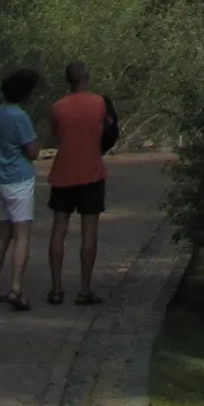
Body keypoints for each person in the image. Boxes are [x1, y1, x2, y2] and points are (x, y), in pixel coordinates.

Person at [45, 61, 118, 306]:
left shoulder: (57, 107)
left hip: (63, 172)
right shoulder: (98, 103)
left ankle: (56, 289)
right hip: (91, 172)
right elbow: (109, 127)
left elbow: (55, 135)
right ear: (85, 77)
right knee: (89, 232)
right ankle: (84, 289)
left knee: (59, 229)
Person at [0, 68, 39, 309]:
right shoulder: (20, 117)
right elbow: (33, 152)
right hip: (19, 180)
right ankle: (16, 288)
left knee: (2, 234)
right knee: (22, 235)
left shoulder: (0, 112)